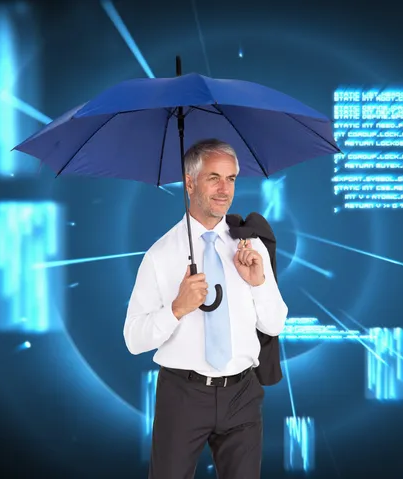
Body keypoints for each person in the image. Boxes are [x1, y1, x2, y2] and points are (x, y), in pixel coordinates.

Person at [123, 138, 288, 479]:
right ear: (189, 182)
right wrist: (177, 309)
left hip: (242, 394)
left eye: (231, 179)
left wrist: (257, 281)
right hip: (183, 395)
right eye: (213, 177)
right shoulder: (160, 255)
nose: (224, 189)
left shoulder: (249, 244)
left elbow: (274, 326)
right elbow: (133, 339)